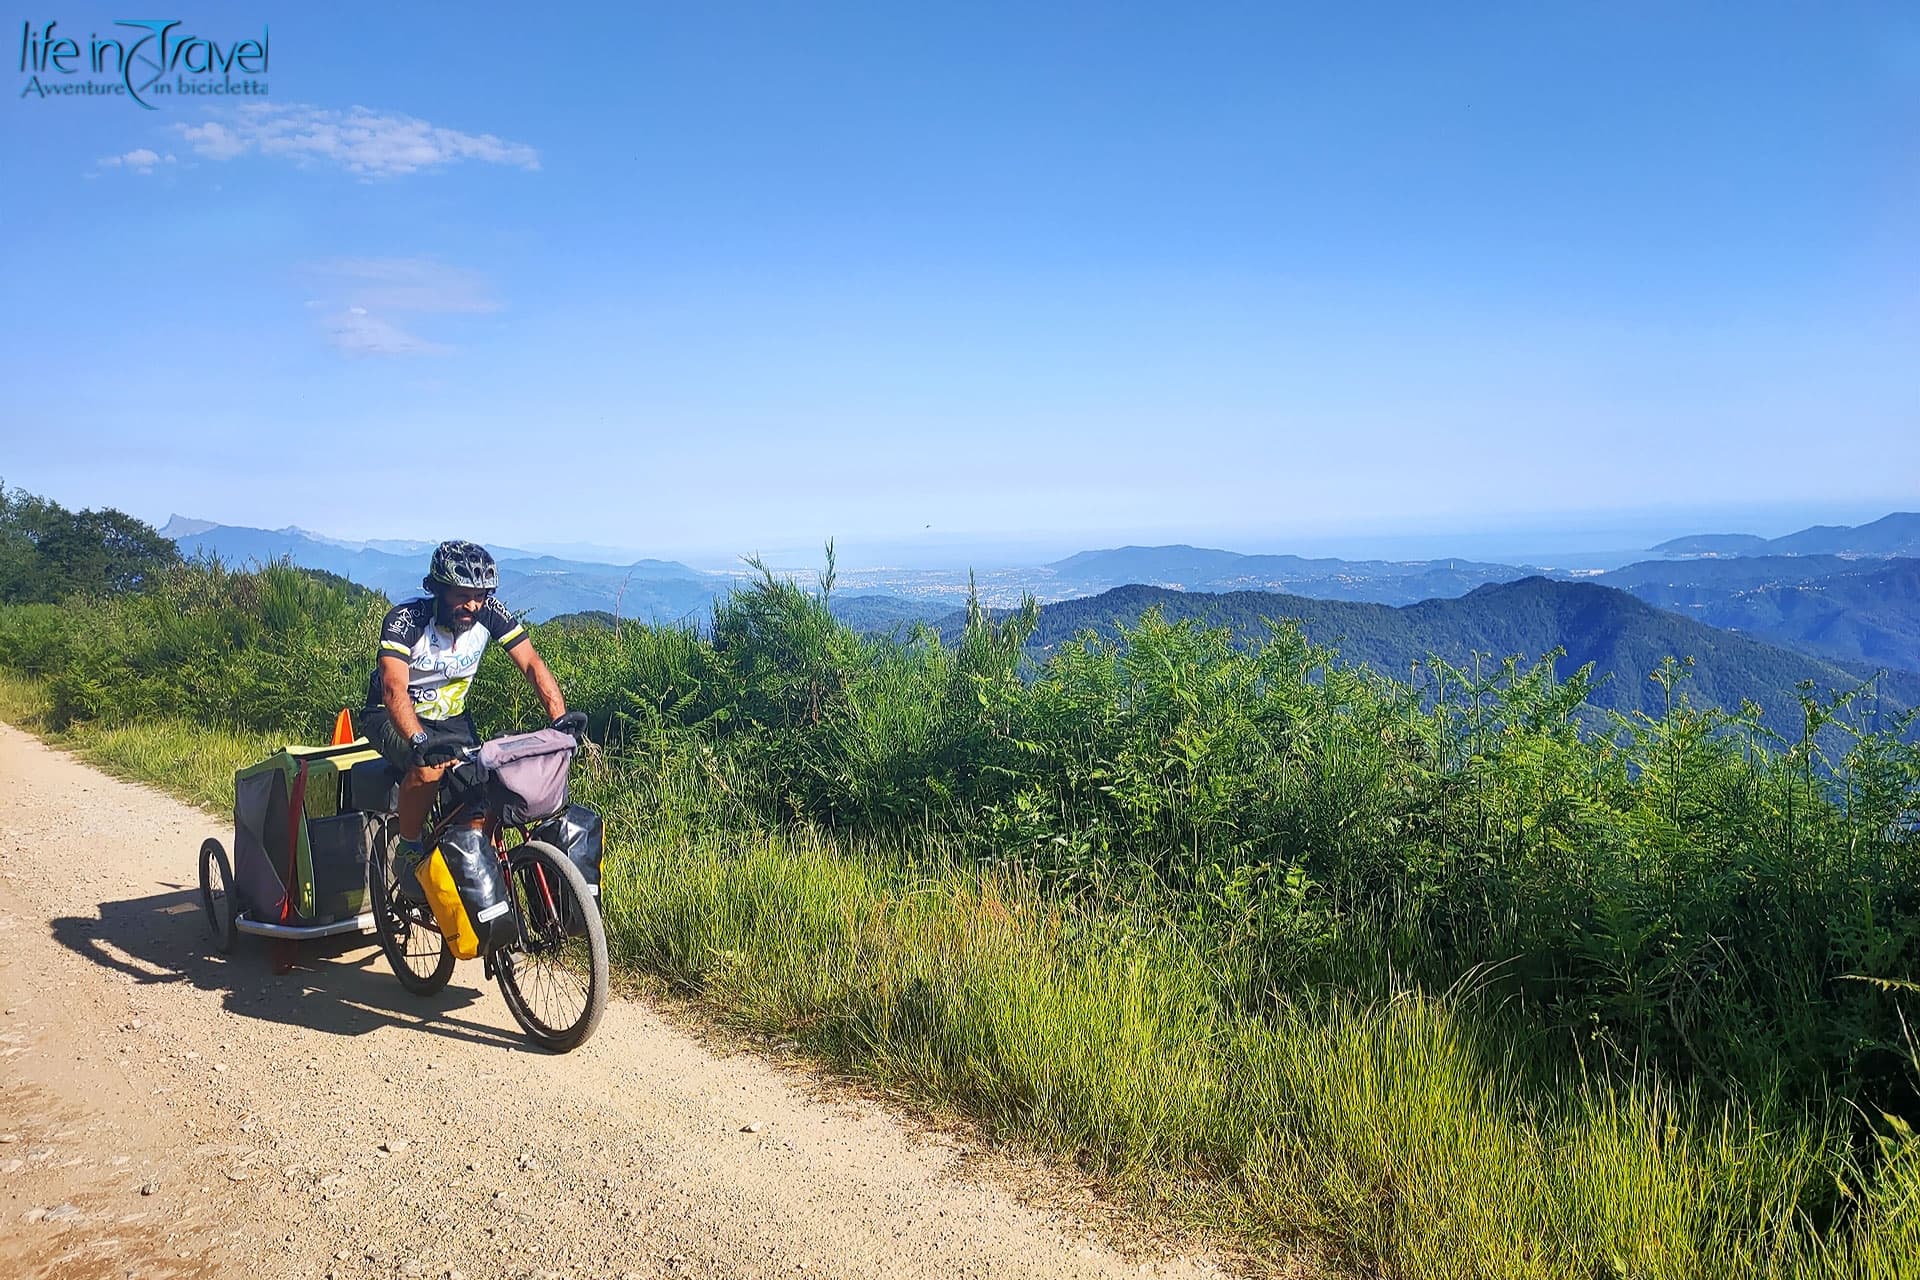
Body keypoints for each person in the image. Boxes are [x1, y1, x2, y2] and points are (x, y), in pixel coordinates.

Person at [357, 540, 586, 893]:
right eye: (461, 594)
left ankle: (470, 868)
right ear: (437, 588)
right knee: (427, 767)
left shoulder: (488, 613)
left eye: (479, 594)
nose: (472, 604)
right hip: (390, 716)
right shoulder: (407, 621)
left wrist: (560, 721)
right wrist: (419, 740)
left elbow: (531, 664)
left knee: (486, 785)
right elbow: (392, 690)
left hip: (452, 720)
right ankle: (409, 849)